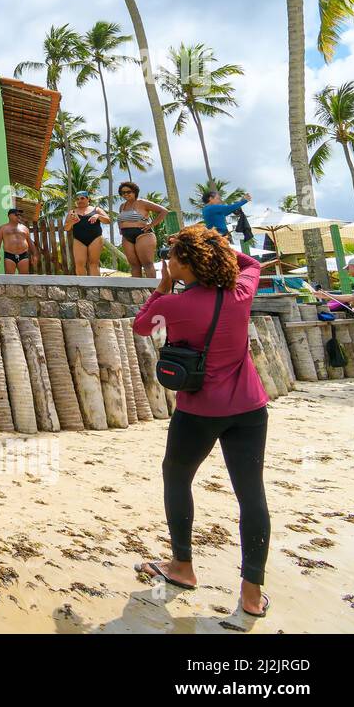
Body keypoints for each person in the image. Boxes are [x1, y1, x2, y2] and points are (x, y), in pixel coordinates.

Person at [131, 226, 270, 618]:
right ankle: (250, 595)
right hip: (249, 409)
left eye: (173, 256)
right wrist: (217, 246)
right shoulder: (241, 293)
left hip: (198, 412)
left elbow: (141, 325)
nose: (168, 261)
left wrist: (163, 286)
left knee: (177, 477)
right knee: (251, 494)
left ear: (187, 264)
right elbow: (252, 262)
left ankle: (182, 567)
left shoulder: (173, 305)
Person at [116, 182, 169, 278]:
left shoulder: (142, 203)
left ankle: (152, 290)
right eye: (123, 193)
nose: (126, 194)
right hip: (127, 236)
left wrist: (152, 224)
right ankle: (138, 291)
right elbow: (121, 219)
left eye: (128, 192)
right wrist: (120, 228)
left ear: (135, 191)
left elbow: (164, 211)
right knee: (134, 265)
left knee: (147, 264)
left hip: (143, 234)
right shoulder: (122, 206)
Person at [63, 191, 108, 277]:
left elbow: (108, 220)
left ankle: (96, 286)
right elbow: (66, 228)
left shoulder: (96, 209)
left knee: (93, 263)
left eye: (82, 198)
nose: (80, 200)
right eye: (77, 199)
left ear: (88, 199)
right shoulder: (72, 212)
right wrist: (71, 222)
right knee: (79, 264)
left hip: (95, 238)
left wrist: (98, 216)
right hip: (79, 239)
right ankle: (83, 288)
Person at [0, 207, 39, 275]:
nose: (19, 216)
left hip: (23, 255)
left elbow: (30, 242)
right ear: (10, 216)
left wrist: (34, 255)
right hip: (9, 255)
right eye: (16, 215)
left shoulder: (25, 228)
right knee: (9, 278)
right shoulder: (2, 228)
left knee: (24, 278)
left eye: (19, 215)